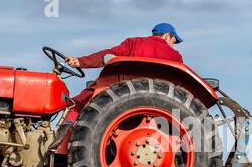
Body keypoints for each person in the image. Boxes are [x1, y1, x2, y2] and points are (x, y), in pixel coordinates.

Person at [57, 23, 185, 127]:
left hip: (122, 95)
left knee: (77, 102)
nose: (172, 46)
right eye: (173, 42)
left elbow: (108, 55)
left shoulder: (134, 43)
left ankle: (63, 136)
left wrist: (80, 61)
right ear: (167, 36)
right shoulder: (175, 56)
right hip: (159, 103)